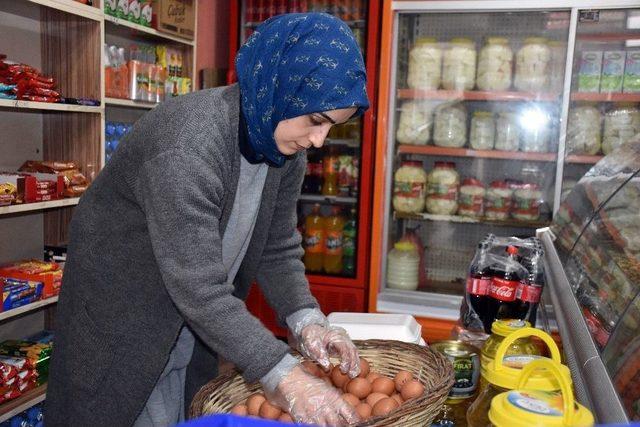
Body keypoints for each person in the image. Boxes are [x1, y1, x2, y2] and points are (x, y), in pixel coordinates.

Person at [44, 12, 369, 427]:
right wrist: (286, 377)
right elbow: (199, 288)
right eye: (316, 120)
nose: (319, 140)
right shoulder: (189, 144)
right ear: (279, 89)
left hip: (189, 326)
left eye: (332, 127)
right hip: (121, 326)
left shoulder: (284, 147)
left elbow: (276, 246)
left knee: (182, 406)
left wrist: (305, 318)